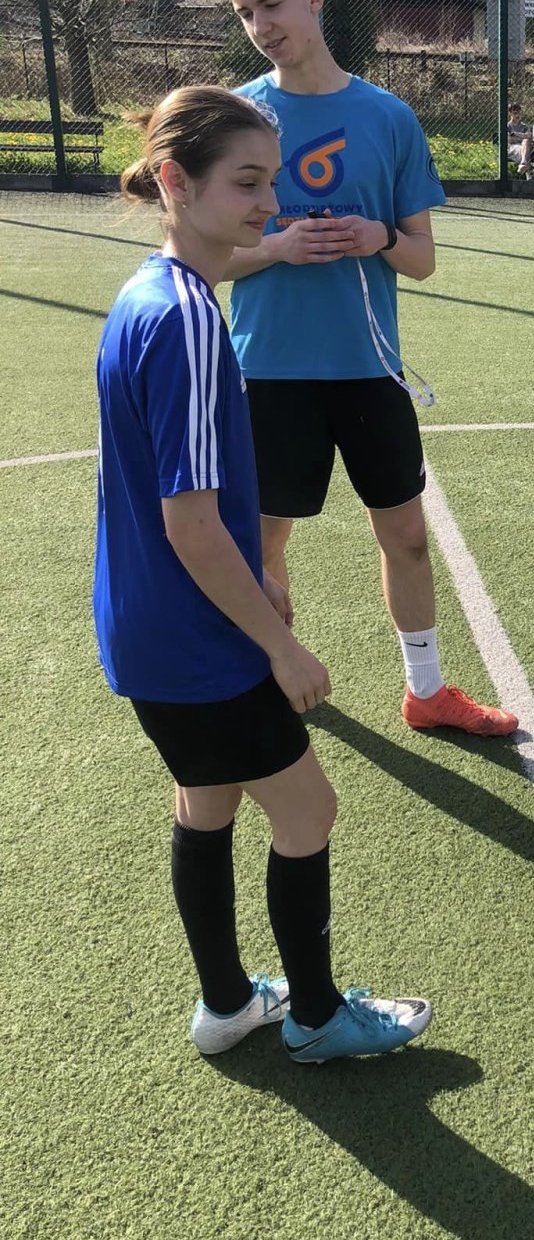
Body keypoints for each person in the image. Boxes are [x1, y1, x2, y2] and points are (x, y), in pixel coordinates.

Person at [95, 86, 434, 1061]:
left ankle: (226, 1004)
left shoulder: (148, 294)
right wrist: (278, 646)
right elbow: (192, 523)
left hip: (146, 625)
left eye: (272, 182)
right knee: (308, 808)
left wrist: (256, 574)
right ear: (175, 180)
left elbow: (182, 510)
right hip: (196, 637)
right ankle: (318, 1017)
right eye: (247, 183)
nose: (269, 204)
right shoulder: (193, 323)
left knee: (206, 800)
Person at [209, 0, 517, 739]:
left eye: (271, 5)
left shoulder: (388, 117)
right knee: (261, 542)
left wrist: (378, 237)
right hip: (268, 371)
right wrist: (276, 248)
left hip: (369, 369)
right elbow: (205, 261)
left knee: (406, 537)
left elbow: (422, 260)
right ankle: (267, 671)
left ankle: (426, 691)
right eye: (245, 14)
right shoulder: (236, 119)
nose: (261, 26)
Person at [505, 102, 533, 174]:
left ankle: (523, 163)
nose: (518, 115)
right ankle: (528, 174)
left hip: (525, 147)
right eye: (515, 113)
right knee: (526, 149)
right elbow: (510, 140)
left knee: (526, 142)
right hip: (512, 148)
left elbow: (529, 136)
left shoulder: (525, 126)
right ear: (510, 113)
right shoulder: (507, 126)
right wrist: (523, 136)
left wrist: (515, 134)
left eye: (519, 113)